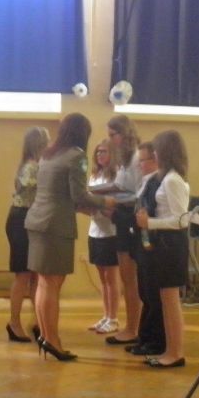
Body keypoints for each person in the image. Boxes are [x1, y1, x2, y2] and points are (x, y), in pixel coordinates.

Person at [24, 113, 114, 361]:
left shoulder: (48, 154)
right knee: (53, 284)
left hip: (38, 222)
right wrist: (106, 202)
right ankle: (53, 341)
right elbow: (79, 195)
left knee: (43, 283)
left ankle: (46, 336)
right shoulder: (77, 156)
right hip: (56, 226)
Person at [135, 130, 190, 369]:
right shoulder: (166, 177)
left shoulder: (172, 180)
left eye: (156, 150)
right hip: (165, 244)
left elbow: (181, 220)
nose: (154, 154)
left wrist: (150, 223)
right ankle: (170, 350)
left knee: (171, 301)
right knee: (166, 301)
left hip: (172, 245)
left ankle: (176, 353)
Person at [4, 126, 49, 343]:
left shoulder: (31, 165)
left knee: (35, 275)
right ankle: (14, 322)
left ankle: (38, 322)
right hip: (22, 220)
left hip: (27, 219)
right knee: (23, 275)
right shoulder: (33, 167)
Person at [104, 116, 144, 346]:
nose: (111, 140)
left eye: (113, 135)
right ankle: (132, 326)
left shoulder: (137, 158)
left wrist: (107, 200)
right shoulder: (124, 159)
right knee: (125, 277)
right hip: (122, 217)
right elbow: (118, 186)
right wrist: (93, 192)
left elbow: (138, 195)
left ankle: (132, 328)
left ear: (124, 133)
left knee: (130, 278)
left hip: (131, 218)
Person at [126, 143, 165, 357]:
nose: (139, 165)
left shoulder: (158, 182)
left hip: (153, 244)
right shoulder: (147, 181)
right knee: (144, 293)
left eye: (143, 160)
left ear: (155, 160)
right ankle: (144, 337)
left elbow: (153, 211)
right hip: (142, 241)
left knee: (152, 294)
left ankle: (154, 341)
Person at [86, 140, 120, 335]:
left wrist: (100, 206)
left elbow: (115, 204)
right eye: (98, 151)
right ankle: (106, 315)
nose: (100, 154)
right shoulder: (94, 175)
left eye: (104, 151)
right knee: (102, 277)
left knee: (111, 277)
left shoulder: (116, 177)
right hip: (95, 230)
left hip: (111, 232)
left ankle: (113, 318)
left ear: (112, 154)